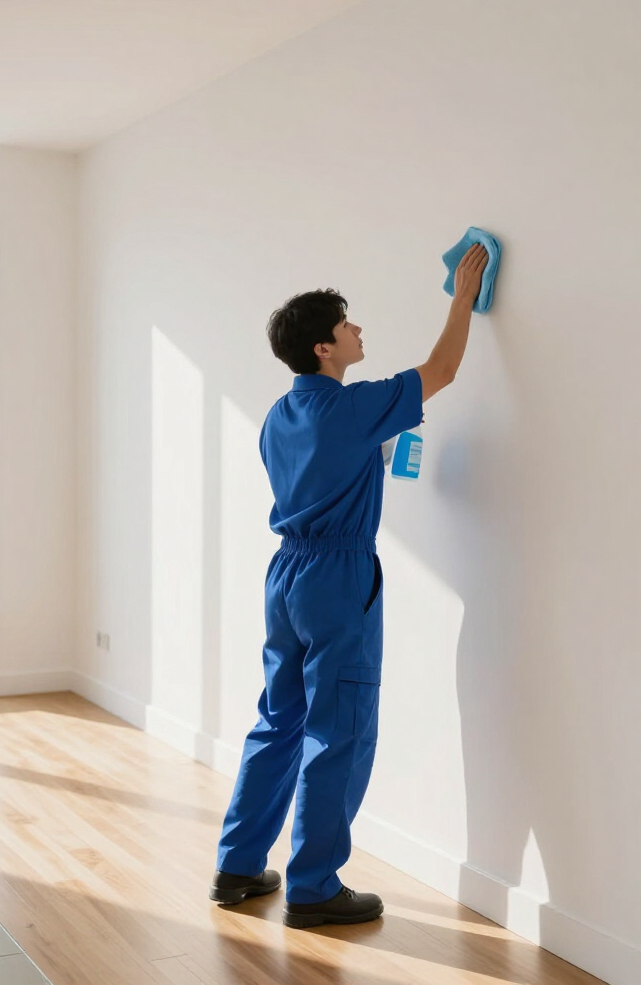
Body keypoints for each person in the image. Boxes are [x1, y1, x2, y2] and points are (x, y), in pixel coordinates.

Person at [209, 244, 489, 929]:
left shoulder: (282, 413)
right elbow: (444, 370)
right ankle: (313, 888)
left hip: (286, 575)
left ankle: (238, 865)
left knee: (279, 719)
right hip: (338, 579)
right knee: (340, 729)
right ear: (324, 348)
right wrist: (463, 296)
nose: (358, 330)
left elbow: (331, 466)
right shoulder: (354, 407)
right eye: (347, 324)